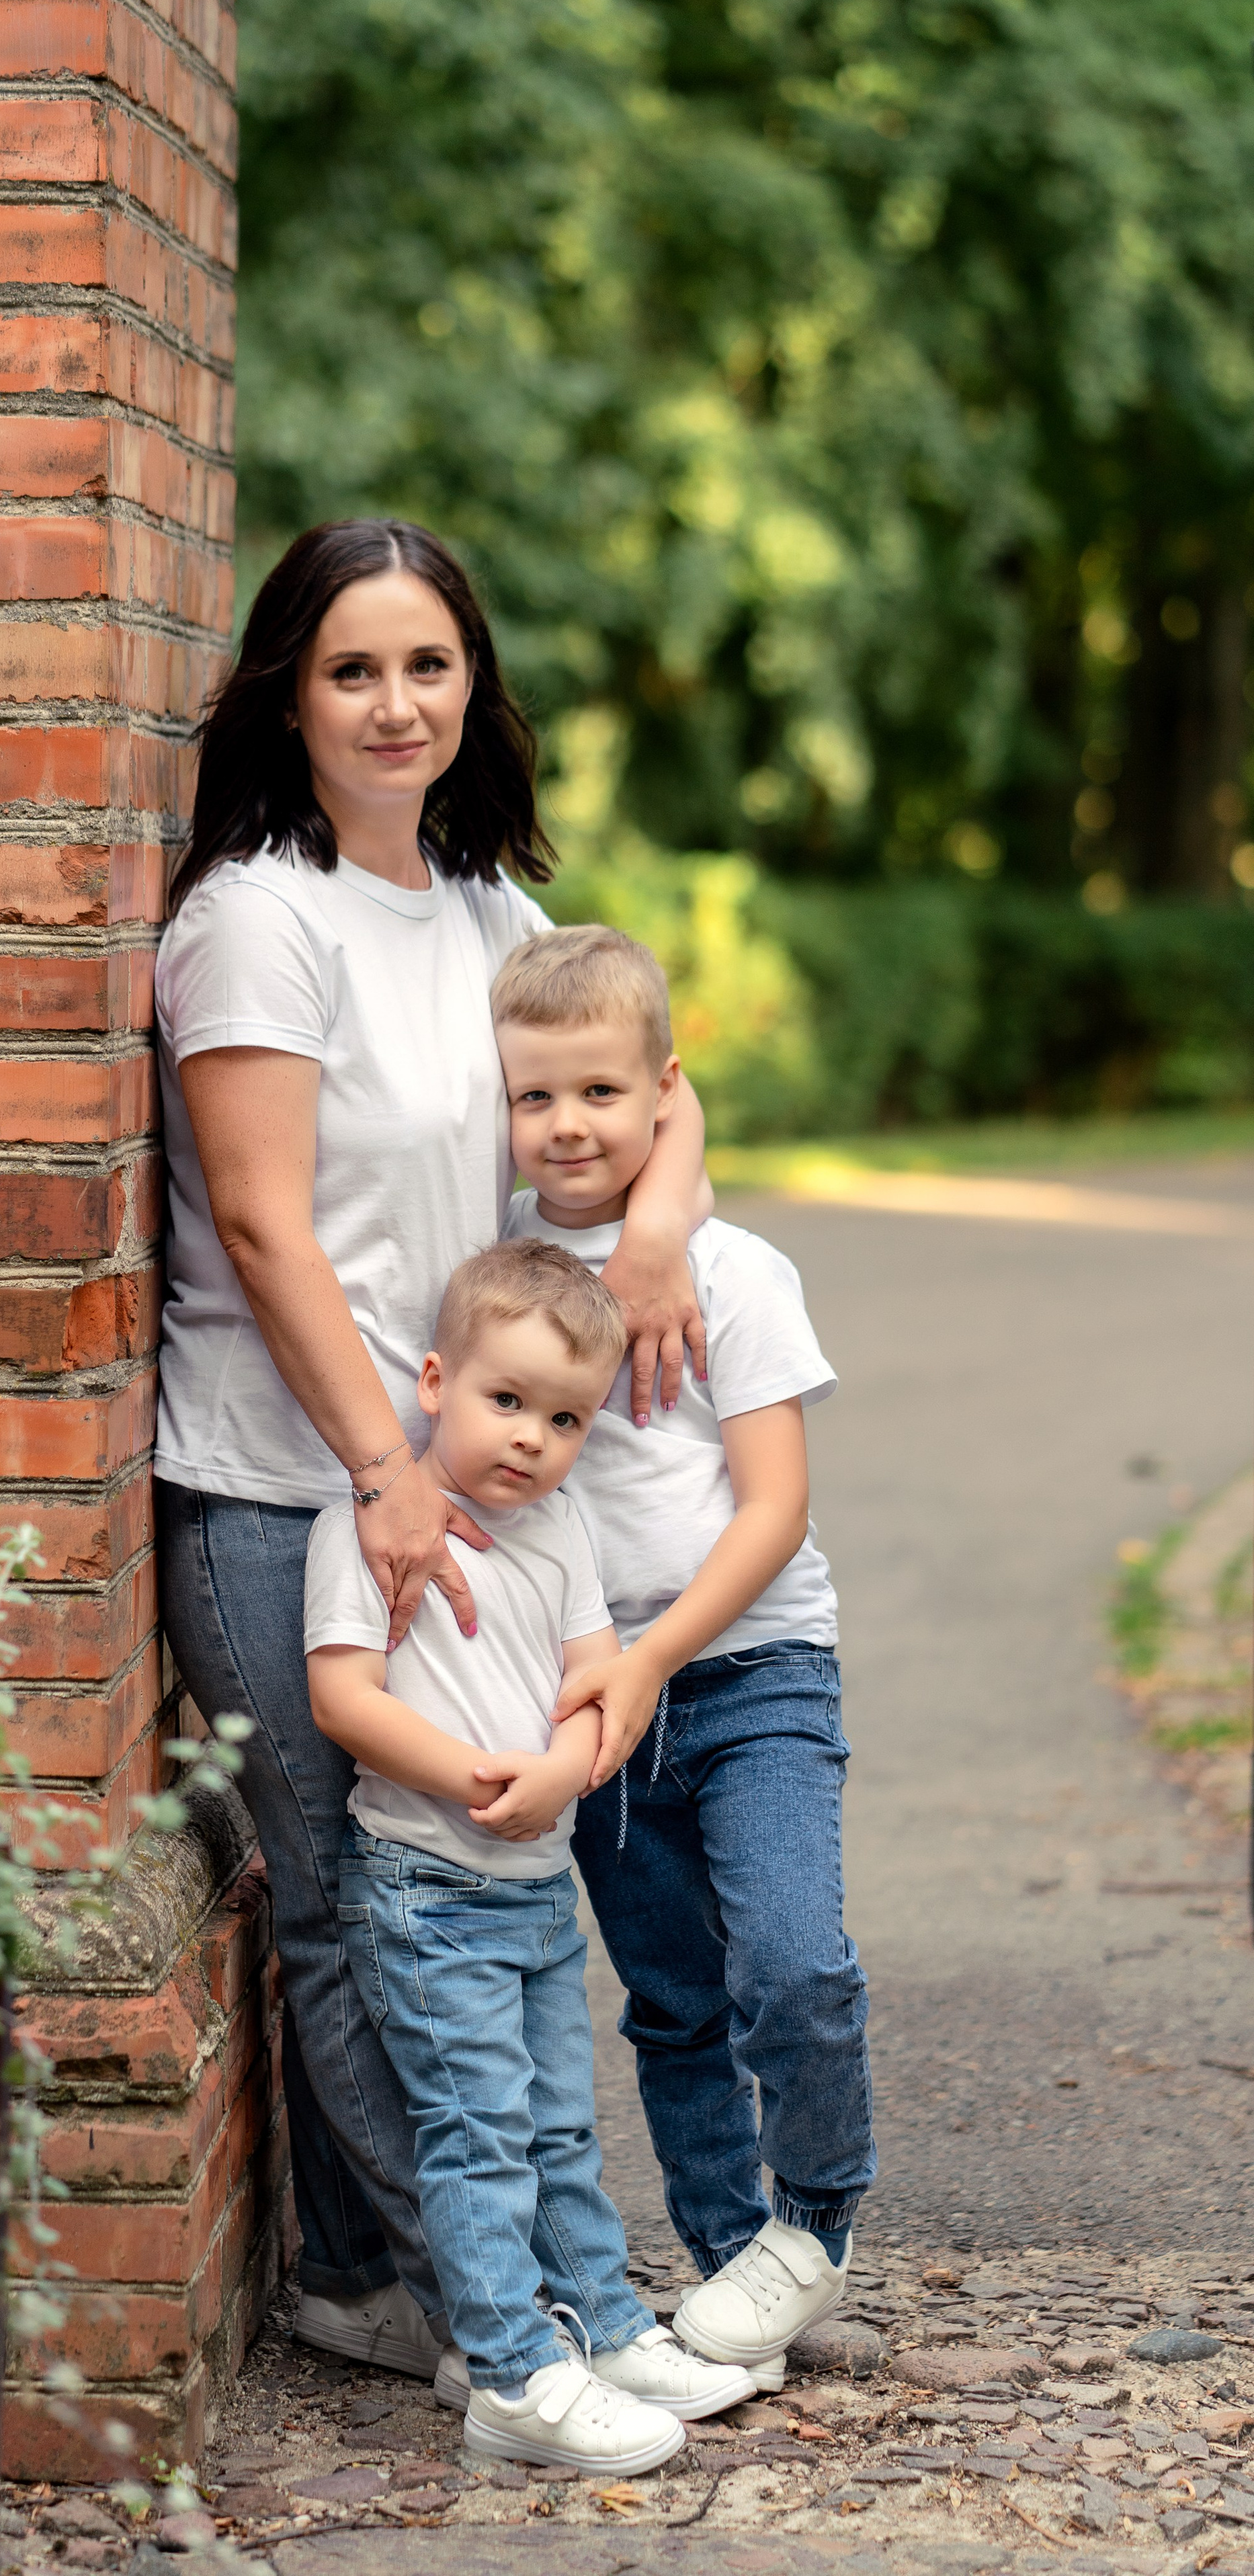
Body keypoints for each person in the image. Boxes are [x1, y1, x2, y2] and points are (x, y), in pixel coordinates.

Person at [152, 521, 714, 2391]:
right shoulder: (256, 915)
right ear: (287, 699)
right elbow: (258, 1222)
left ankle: (392, 2268)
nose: (397, 706)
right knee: (344, 1904)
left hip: (459, 1492)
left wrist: (650, 1233)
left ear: (475, 687)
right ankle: (481, 2311)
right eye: (352, 671)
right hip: (285, 1479)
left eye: (429, 667)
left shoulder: (486, 919)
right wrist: (378, 1470)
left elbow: (647, 1071)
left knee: (466, 1883)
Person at [493, 925, 876, 2394]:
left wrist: (652, 1655)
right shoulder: (499, 1278)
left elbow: (773, 1509)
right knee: (671, 1998)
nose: (568, 1125)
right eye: (535, 1099)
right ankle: (733, 2278)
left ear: (664, 1095)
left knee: (792, 1964)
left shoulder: (731, 1270)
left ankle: (813, 2221)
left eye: (599, 1092)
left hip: (748, 1668)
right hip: (590, 1694)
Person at [306, 1240, 756, 2467]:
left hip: (535, 1888)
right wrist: (469, 1780)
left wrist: (561, 1770)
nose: (530, 1438)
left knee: (562, 2127)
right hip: (424, 1887)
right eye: (507, 1401)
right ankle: (510, 2373)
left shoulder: (560, 1536)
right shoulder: (370, 1530)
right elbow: (345, 1697)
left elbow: (594, 1682)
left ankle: (605, 2326)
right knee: (480, 2134)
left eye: (564, 1419)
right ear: (437, 1380)